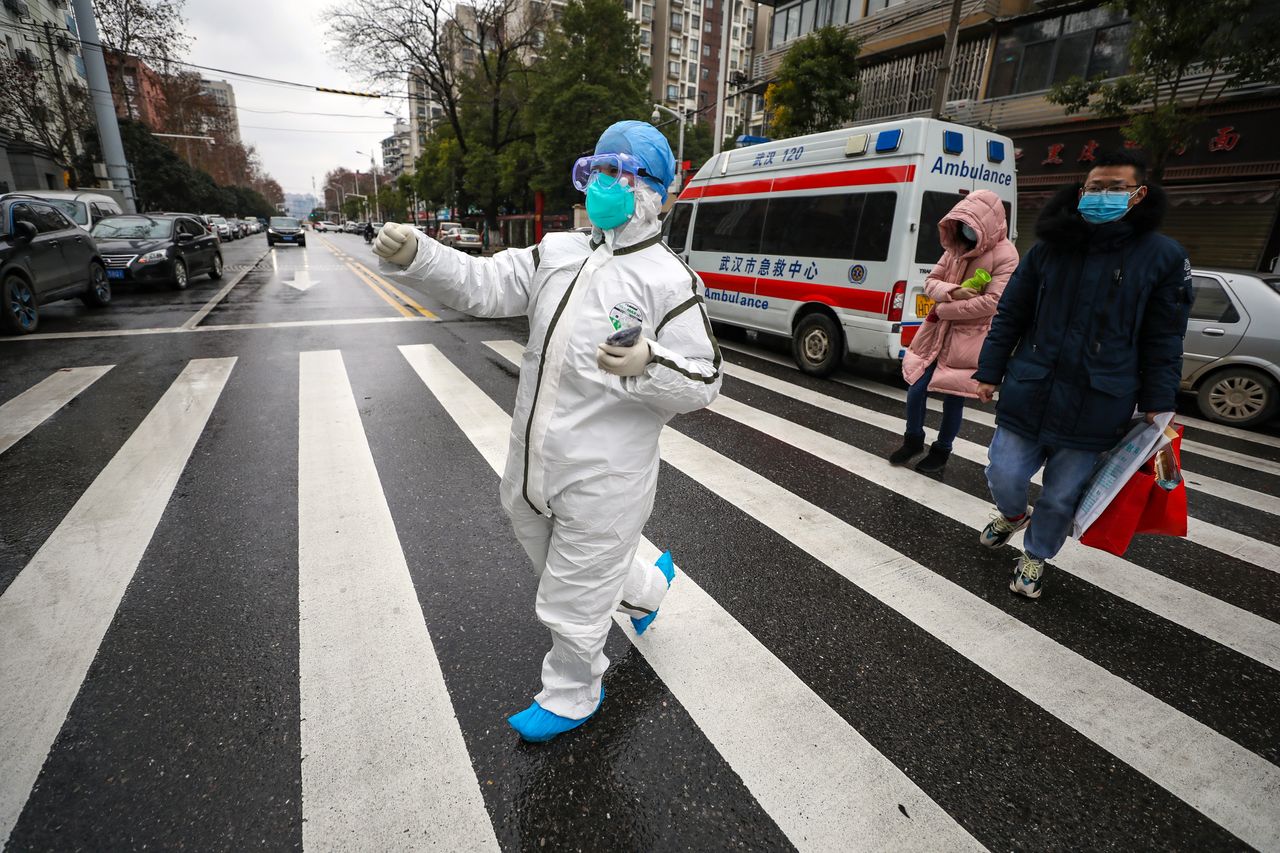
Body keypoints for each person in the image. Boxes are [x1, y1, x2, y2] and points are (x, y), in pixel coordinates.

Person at [372, 120, 722, 741]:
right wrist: (420, 256)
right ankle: (644, 588)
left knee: (573, 592)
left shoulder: (670, 283)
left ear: (655, 192)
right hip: (533, 462)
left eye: (621, 174)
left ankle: (572, 693)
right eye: (597, 169)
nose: (604, 186)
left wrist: (651, 363)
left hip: (606, 476)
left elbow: (704, 382)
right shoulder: (558, 252)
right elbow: (485, 283)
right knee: (551, 553)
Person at [972, 151, 1192, 599]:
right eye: (1094, 188)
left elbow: (1165, 336)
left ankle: (1035, 555)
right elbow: (1011, 312)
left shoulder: (1162, 257)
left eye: (1114, 188)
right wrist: (989, 370)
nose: (1101, 196)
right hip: (1031, 386)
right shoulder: (1050, 248)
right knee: (1003, 473)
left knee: (1059, 496)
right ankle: (1012, 514)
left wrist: (1159, 399)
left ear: (1138, 194)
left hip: (1098, 400)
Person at [891, 190, 1018, 475]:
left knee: (954, 398)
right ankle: (913, 440)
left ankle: (942, 451)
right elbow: (931, 281)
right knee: (916, 389)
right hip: (937, 333)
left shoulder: (1006, 255)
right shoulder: (955, 247)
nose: (965, 230)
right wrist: (953, 291)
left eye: (972, 225)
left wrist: (945, 309)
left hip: (969, 338)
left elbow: (993, 303)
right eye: (961, 223)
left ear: (988, 224)